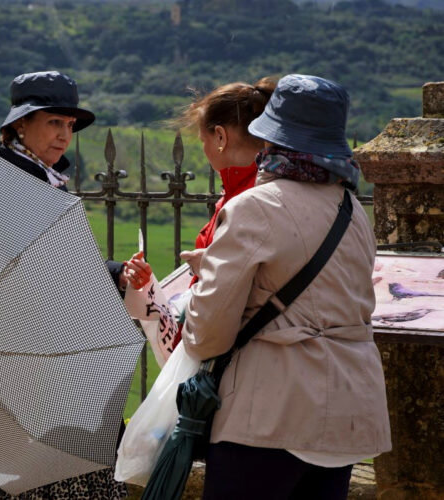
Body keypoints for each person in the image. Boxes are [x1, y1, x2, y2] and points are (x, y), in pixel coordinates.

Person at [181, 74, 392, 499]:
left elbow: (208, 334)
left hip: (269, 418)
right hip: (348, 416)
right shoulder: (352, 210)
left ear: (271, 138)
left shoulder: (255, 207)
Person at [0, 70, 127, 500]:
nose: (65, 135)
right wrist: (109, 279)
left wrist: (115, 273)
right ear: (19, 126)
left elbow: (56, 266)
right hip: (31, 371)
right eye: (53, 122)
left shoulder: (34, 180)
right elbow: (37, 277)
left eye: (70, 125)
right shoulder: (10, 185)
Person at [123, 77, 276, 357]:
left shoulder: (246, 198)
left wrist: (211, 266)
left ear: (220, 137)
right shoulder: (254, 188)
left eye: (203, 139)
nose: (204, 149)